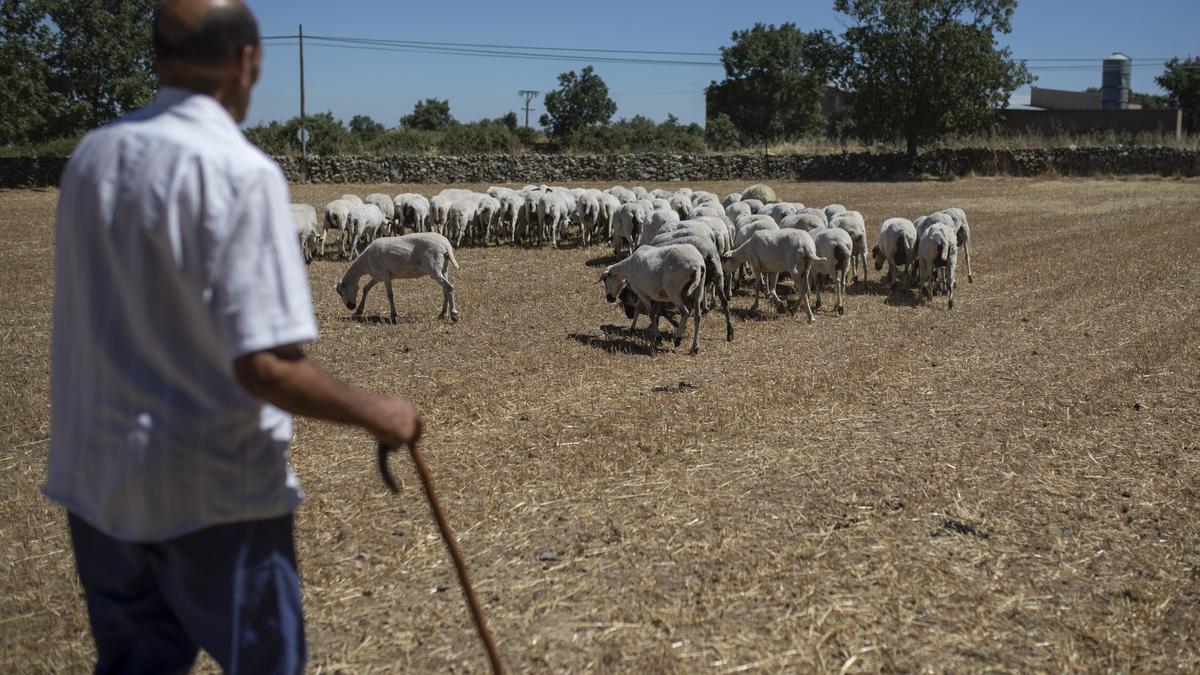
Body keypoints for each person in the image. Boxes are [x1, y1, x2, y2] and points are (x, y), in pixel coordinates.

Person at [43, 0, 422, 672]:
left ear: (157, 59)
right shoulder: (237, 173)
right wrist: (380, 411)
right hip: (210, 496)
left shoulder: (90, 159)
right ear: (249, 61)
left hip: (97, 483)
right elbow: (266, 367)